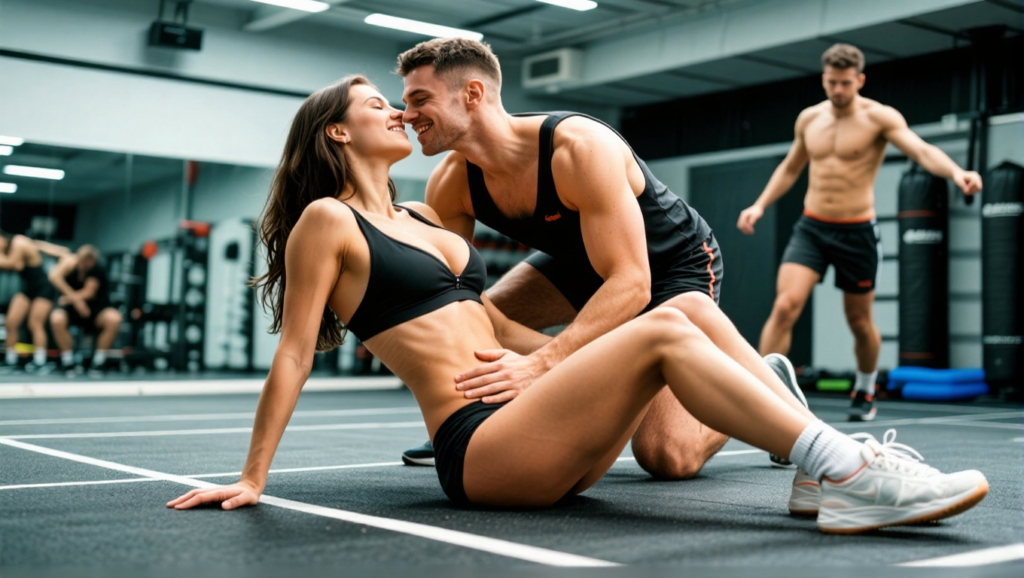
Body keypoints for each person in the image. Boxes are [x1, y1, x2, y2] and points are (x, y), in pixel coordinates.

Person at [166, 76, 989, 534]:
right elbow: (296, 352)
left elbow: (486, 324)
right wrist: (251, 478)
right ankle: (846, 472)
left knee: (680, 314)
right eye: (376, 103)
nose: (396, 110)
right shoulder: (327, 221)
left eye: (400, 98)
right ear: (338, 134)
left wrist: (556, 359)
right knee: (662, 328)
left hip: (526, 426)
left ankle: (821, 465)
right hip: (479, 450)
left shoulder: (422, 219)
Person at [395, 37, 807, 476]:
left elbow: (632, 282)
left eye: (420, 99)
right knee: (479, 314)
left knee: (668, 456)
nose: (406, 115)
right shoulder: (452, 184)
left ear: (473, 94)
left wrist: (543, 363)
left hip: (669, 268)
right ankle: (477, 413)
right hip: (579, 265)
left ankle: (758, 380)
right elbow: (452, 299)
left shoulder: (579, 148)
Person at [737, 44, 983, 421]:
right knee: (785, 305)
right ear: (824, 79)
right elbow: (790, 168)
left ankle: (865, 388)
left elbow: (920, 150)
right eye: (832, 82)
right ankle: (767, 395)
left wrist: (956, 172)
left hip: (857, 233)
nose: (837, 90)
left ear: (860, 80)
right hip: (812, 227)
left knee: (859, 321)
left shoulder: (879, 118)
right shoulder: (809, 119)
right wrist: (760, 204)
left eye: (845, 83)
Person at [48, 245, 122, 374]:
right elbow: (54, 277)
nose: (82, 264)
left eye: (87, 261)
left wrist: (69, 298)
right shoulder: (70, 265)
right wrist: (76, 301)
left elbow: (89, 292)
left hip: (96, 311)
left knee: (114, 318)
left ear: (92, 261)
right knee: (56, 318)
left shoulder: (97, 269)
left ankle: (98, 362)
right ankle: (68, 362)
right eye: (80, 260)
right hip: (72, 312)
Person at [0, 231, 66, 372]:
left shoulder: (18, 241)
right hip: (28, 287)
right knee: (11, 323)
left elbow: (12, 264)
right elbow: (16, 266)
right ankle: (11, 360)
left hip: (43, 286)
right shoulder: (10, 248)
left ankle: (39, 361)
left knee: (35, 323)